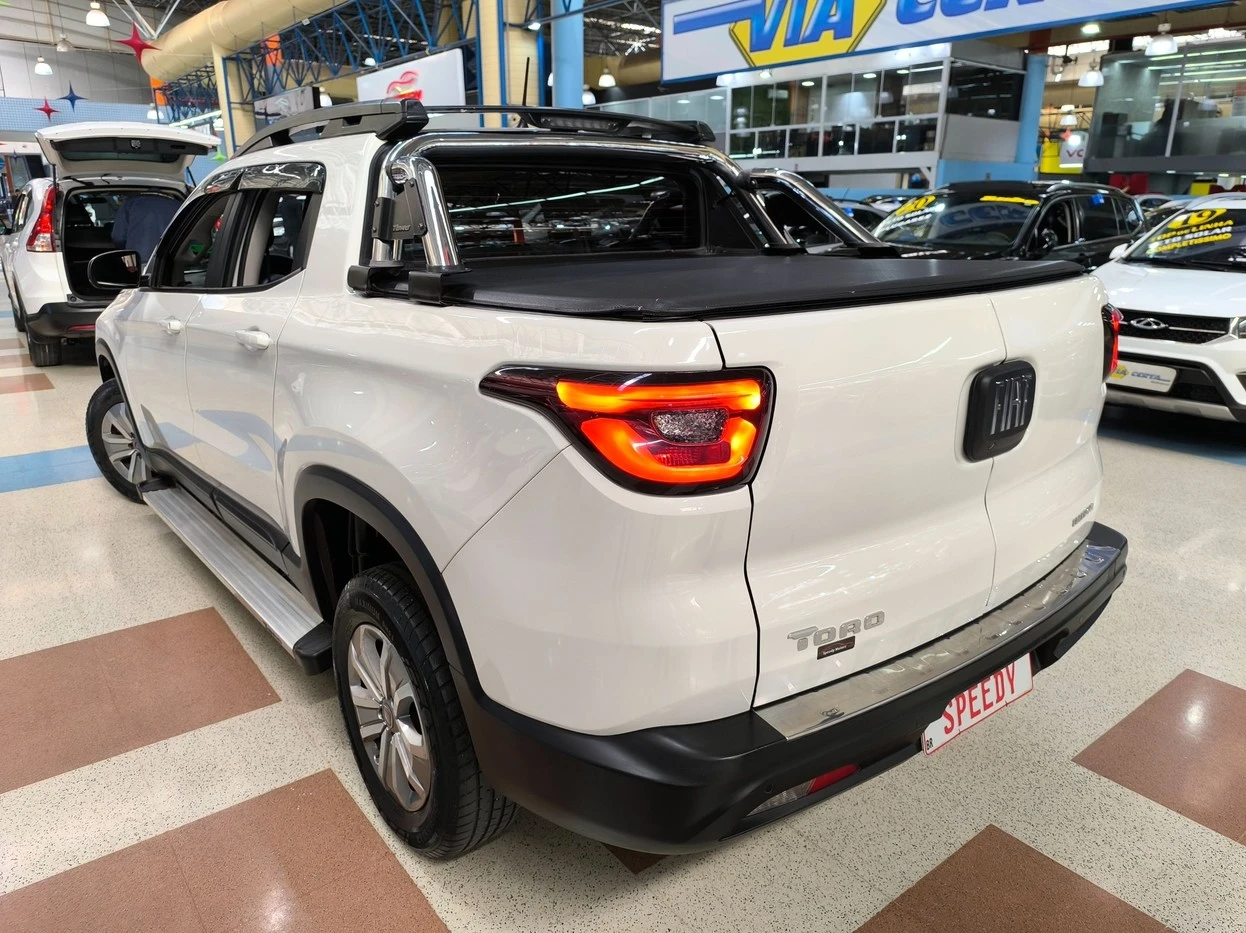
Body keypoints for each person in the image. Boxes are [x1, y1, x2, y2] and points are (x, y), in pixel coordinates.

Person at [111, 193, 179, 263]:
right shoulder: (177, 206)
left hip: (136, 259)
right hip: (166, 261)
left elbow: (118, 238)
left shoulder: (129, 203)